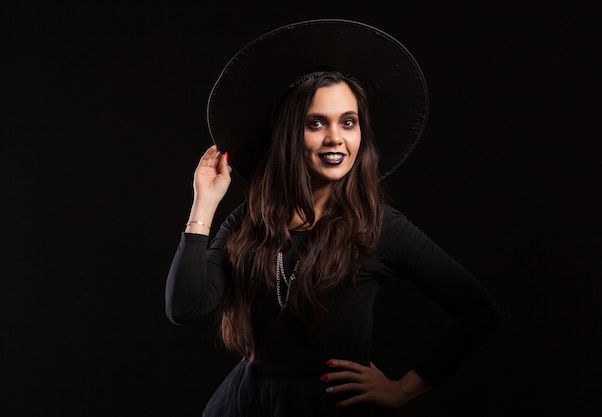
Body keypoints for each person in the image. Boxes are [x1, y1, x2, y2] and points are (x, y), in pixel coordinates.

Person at [165, 19, 504, 416]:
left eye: (348, 122)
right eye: (315, 123)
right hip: (247, 404)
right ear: (291, 134)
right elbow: (185, 308)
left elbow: (480, 312)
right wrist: (203, 205)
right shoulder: (248, 221)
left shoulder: (378, 226)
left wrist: (401, 390)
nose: (335, 138)